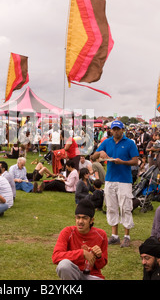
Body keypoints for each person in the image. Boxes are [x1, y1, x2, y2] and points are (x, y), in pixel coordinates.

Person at [91, 120, 139, 248]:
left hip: (124, 180)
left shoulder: (130, 143)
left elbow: (135, 161)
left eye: (118, 129)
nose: (116, 131)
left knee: (125, 207)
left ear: (123, 130)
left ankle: (127, 236)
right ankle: (115, 236)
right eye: (114, 129)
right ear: (111, 130)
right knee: (111, 206)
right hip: (110, 179)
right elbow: (93, 156)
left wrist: (123, 162)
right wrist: (100, 153)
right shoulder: (106, 142)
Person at [52, 199, 108, 280]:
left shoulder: (101, 235)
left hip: (92, 276)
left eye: (84, 218)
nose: (80, 221)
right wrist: (82, 253)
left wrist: (99, 257)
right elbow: (56, 257)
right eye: (78, 217)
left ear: (91, 220)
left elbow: (101, 265)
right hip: (73, 272)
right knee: (64, 265)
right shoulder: (67, 232)